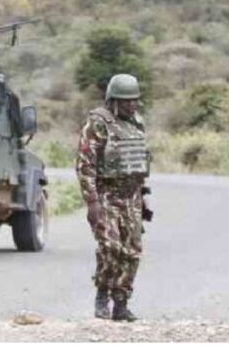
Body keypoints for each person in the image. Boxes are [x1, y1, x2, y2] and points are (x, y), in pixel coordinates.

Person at [76, 73, 152, 322]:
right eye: (126, 101)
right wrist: (93, 202)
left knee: (132, 252)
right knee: (110, 247)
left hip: (132, 198)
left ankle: (121, 303)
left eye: (135, 100)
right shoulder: (98, 123)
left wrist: (143, 196)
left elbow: (138, 163)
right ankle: (102, 294)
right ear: (113, 100)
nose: (133, 105)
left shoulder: (137, 123)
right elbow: (85, 165)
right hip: (107, 196)